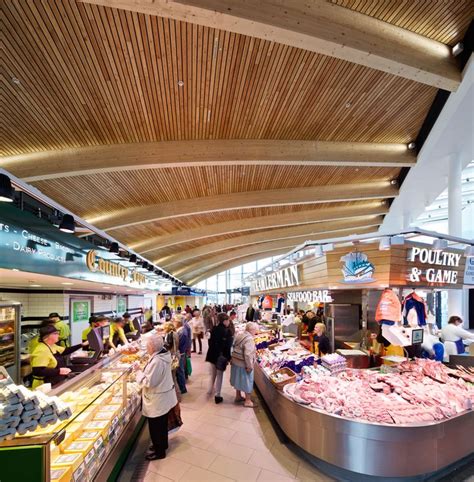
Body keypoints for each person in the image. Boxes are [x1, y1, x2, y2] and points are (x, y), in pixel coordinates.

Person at [135, 335, 177, 460]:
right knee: (161, 425)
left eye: (147, 345)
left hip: (157, 400)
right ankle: (161, 445)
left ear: (152, 346)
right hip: (162, 397)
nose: (146, 347)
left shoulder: (157, 361)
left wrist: (138, 371)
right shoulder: (162, 356)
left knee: (156, 427)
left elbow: (149, 382)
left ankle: (160, 452)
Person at [31, 325, 86, 389]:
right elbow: (38, 371)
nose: (58, 336)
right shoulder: (41, 350)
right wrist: (59, 371)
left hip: (55, 381)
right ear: (48, 336)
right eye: (56, 334)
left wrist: (82, 345)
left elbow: (65, 351)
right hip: (44, 385)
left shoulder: (52, 345)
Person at [206, 312, 233, 404]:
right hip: (220, 357)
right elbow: (227, 347)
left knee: (212, 374)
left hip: (212, 354)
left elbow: (210, 342)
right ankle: (217, 395)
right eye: (228, 320)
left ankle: (209, 390)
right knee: (219, 375)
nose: (229, 322)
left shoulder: (214, 329)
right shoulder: (227, 331)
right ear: (225, 321)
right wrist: (229, 358)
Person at [230, 322, 259, 408]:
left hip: (236, 361)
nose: (255, 332)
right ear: (252, 330)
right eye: (255, 331)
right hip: (243, 363)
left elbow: (233, 346)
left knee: (237, 379)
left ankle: (238, 396)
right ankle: (248, 401)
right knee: (247, 381)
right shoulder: (249, 339)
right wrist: (249, 366)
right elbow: (248, 354)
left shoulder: (240, 335)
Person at [173, 317, 188, 394]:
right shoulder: (182, 330)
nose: (174, 323)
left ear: (178, 323)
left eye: (175, 321)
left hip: (180, 353)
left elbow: (178, 344)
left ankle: (182, 388)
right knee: (180, 370)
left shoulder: (181, 332)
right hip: (182, 352)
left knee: (180, 371)